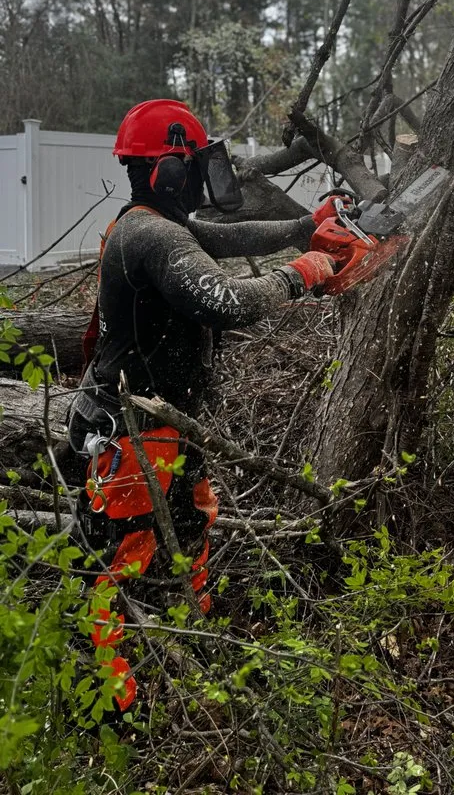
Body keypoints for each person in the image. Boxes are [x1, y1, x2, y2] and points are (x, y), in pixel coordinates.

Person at [67, 99, 350, 711]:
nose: (201, 176)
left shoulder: (162, 225)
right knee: (116, 565)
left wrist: (305, 229)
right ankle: (108, 707)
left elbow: (225, 237)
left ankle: (190, 637)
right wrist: (299, 273)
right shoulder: (149, 233)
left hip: (171, 424)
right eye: (192, 165)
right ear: (169, 169)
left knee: (191, 525)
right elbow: (223, 301)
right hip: (135, 428)